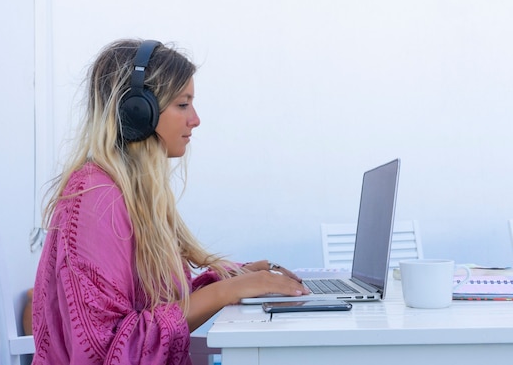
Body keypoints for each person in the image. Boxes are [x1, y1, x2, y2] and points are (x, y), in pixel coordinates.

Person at [31, 38, 309, 365]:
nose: (195, 119)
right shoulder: (97, 195)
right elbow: (107, 350)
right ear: (137, 111)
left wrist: (234, 277)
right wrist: (225, 292)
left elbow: (160, 307)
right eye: (182, 104)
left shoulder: (131, 191)